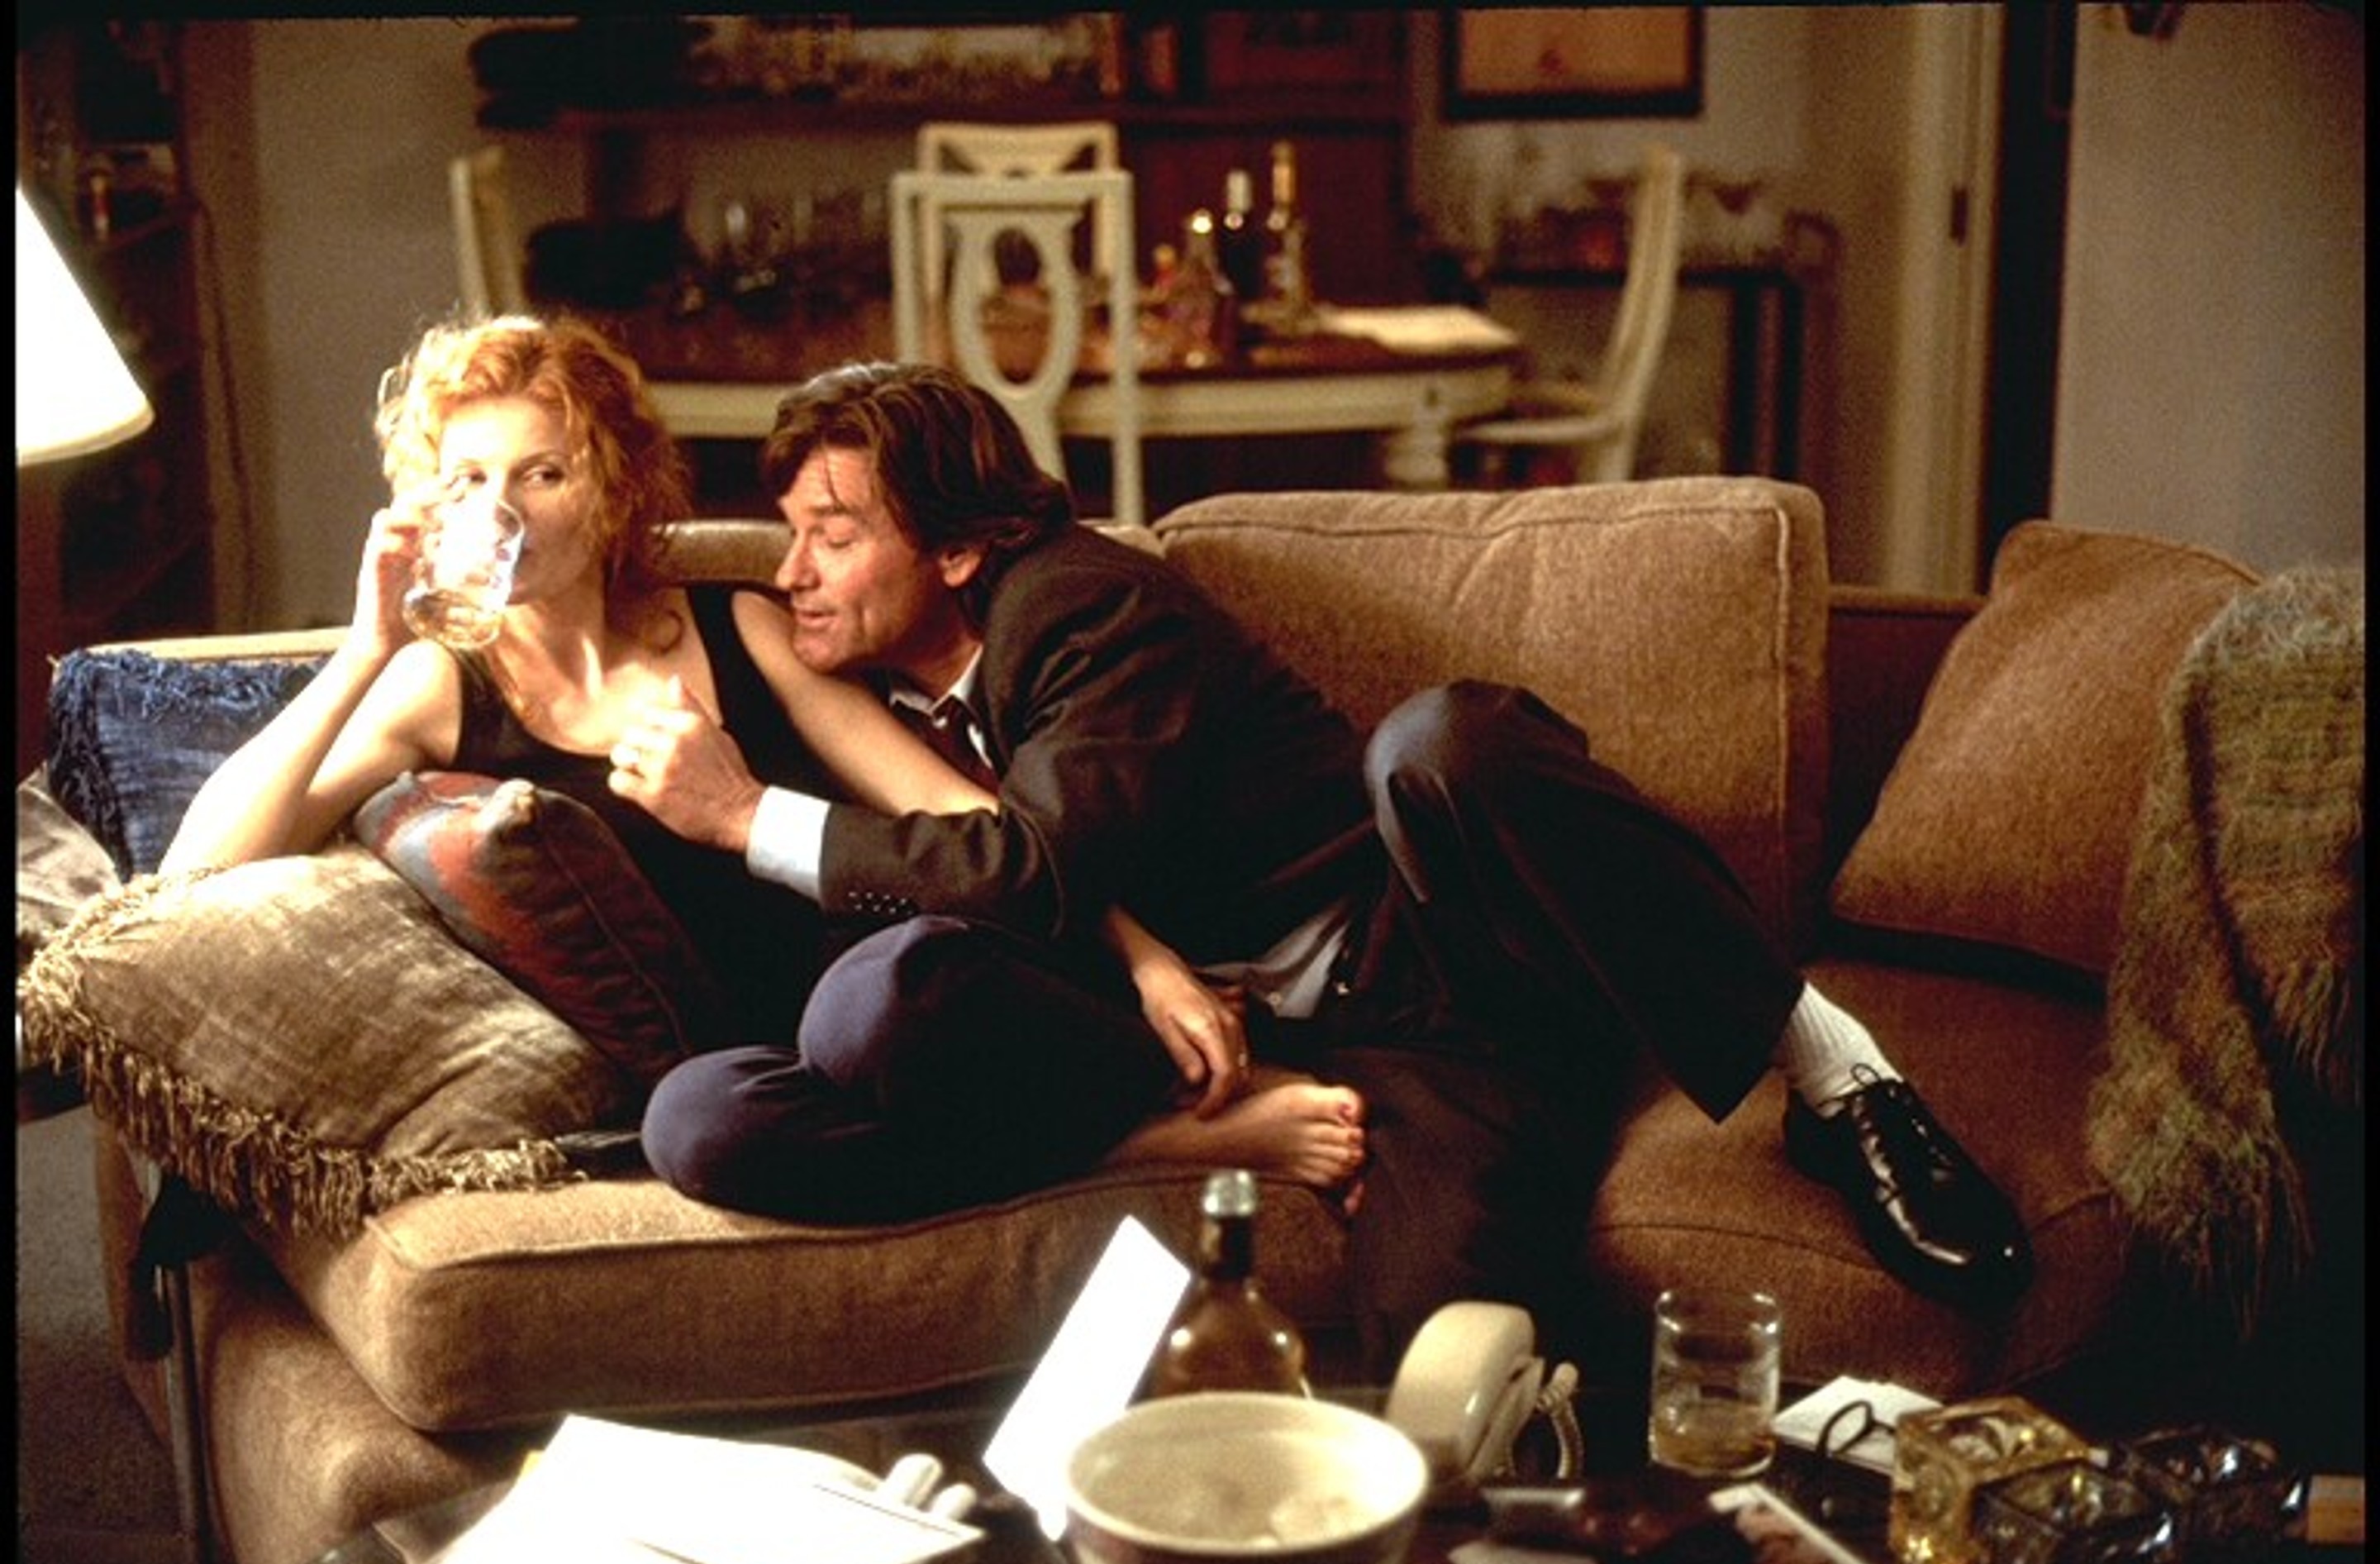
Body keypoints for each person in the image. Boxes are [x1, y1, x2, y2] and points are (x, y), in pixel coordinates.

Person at [622, 360, 2034, 1372]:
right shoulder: (860, 688)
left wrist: (747, 818)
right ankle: (1188, 1139)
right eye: (790, 534)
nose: (793, 570)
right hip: (1215, 1053)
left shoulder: (1081, 603)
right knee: (718, 1112)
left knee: (1447, 749)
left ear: (960, 545)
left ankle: (1840, 1075)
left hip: (1428, 986)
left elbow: (1036, 868)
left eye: (834, 535)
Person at [160, 315, 1362, 1195]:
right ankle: (1138, 1148)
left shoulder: (738, 622)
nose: (503, 509)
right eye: (469, 479)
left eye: (543, 472)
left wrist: (1149, 964)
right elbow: (196, 870)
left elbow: (972, 820)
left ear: (611, 488)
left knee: (885, 994)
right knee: (694, 1128)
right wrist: (367, 644)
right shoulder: (440, 686)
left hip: (919, 991)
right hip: (764, 1056)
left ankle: (1146, 1128)